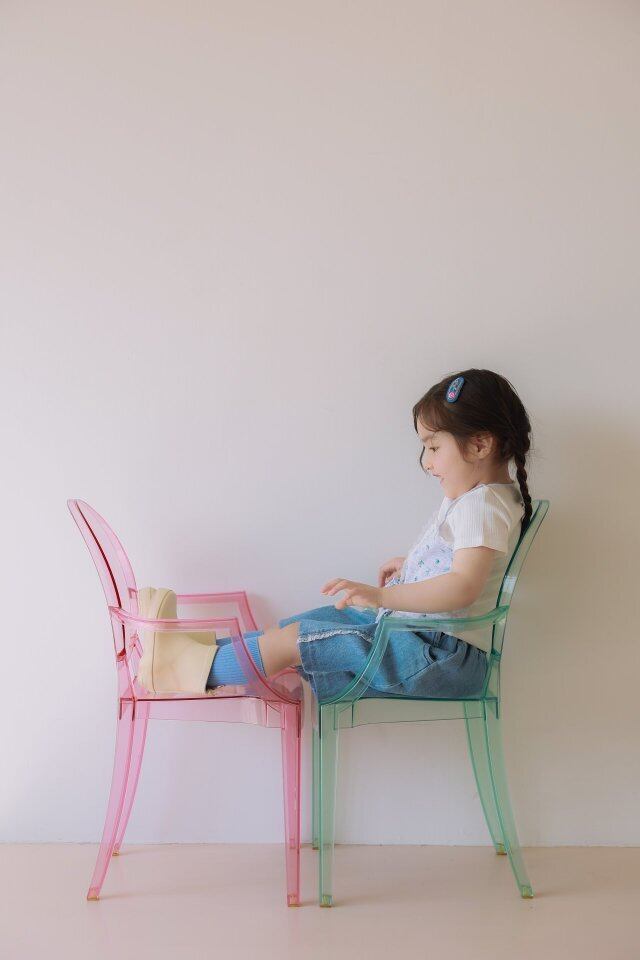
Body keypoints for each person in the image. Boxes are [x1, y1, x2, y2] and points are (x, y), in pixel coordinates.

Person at [136, 368, 533, 702]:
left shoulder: (481, 505)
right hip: (428, 646)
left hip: (440, 656)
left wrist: (382, 596)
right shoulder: (482, 501)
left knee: (297, 640)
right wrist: (413, 565)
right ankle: (187, 657)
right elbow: (465, 567)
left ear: (480, 444)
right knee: (297, 629)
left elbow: (463, 587)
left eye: (432, 447)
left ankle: (183, 666)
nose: (427, 463)